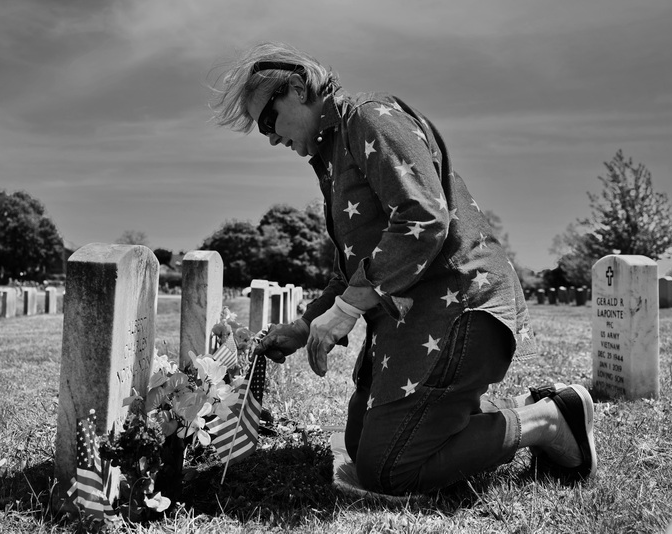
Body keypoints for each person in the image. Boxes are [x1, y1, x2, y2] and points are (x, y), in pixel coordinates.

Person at [210, 42, 596, 495]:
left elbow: (424, 216)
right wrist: (304, 326)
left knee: (390, 468)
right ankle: (488, 412)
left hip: (459, 309)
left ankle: (548, 420)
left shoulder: (366, 118)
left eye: (268, 122)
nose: (271, 137)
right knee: (359, 443)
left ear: (297, 88)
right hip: (415, 321)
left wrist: (349, 308)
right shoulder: (332, 155)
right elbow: (351, 271)